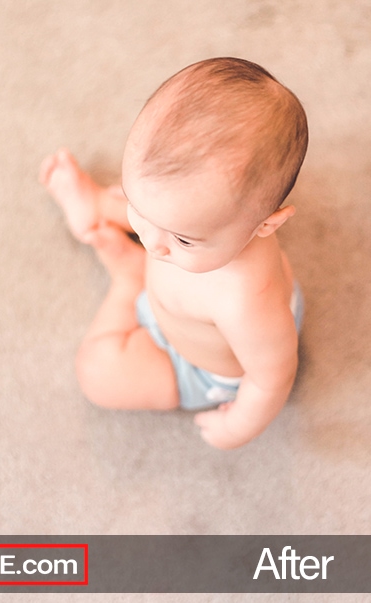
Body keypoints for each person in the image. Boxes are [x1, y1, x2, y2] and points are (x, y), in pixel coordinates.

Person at [40, 57, 307, 449]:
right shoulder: (191, 221)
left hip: (198, 364)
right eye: (135, 205)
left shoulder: (248, 304)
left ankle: (127, 281)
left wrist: (240, 426)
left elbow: (272, 377)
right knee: (164, 203)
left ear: (266, 225)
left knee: (97, 373)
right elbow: (165, 221)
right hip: (180, 301)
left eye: (184, 239)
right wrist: (161, 225)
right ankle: (104, 204)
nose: (150, 243)